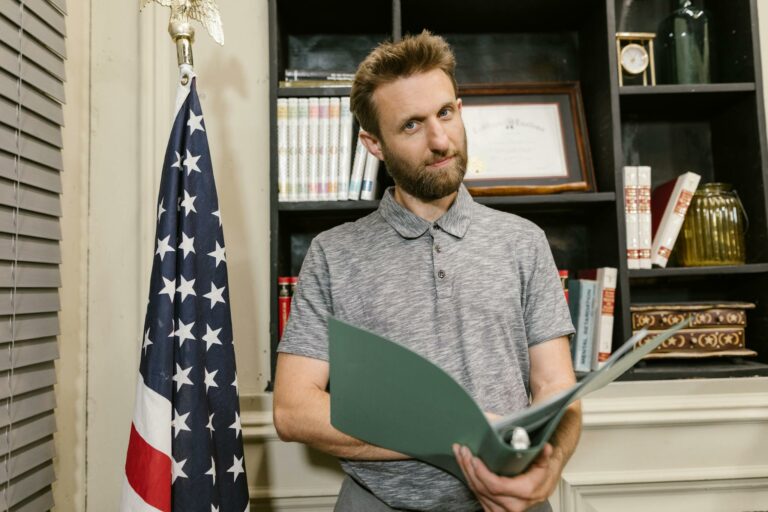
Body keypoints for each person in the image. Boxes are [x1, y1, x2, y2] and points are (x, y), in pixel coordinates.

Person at [273, 31, 582, 512]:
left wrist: (552, 462)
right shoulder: (334, 254)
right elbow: (294, 410)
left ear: (460, 108)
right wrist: (464, 433)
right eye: (412, 125)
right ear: (373, 144)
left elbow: (556, 388)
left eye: (445, 113)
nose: (440, 141)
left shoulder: (524, 241)